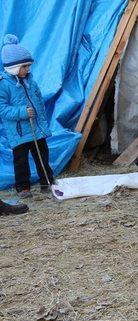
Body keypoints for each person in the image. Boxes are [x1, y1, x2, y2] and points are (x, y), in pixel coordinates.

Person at [0, 34, 53, 199]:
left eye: (29, 66)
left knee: (42, 155)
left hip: (36, 128)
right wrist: (22, 112)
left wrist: (42, 124)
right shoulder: (3, 84)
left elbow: (39, 103)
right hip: (20, 132)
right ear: (14, 67)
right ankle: (23, 187)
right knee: (21, 161)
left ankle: (47, 181)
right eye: (24, 66)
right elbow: (2, 109)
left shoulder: (31, 81)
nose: (28, 69)